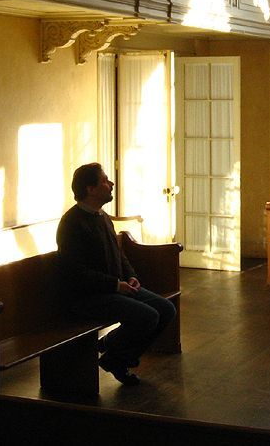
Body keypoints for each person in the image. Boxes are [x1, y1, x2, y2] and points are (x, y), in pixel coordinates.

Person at [56, 162, 176, 386]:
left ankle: (112, 349)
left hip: (114, 288)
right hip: (87, 296)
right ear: (90, 189)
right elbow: (75, 272)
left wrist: (131, 276)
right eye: (104, 180)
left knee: (166, 309)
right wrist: (115, 285)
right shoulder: (72, 223)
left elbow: (118, 254)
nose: (111, 184)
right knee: (148, 316)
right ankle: (117, 357)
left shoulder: (102, 216)